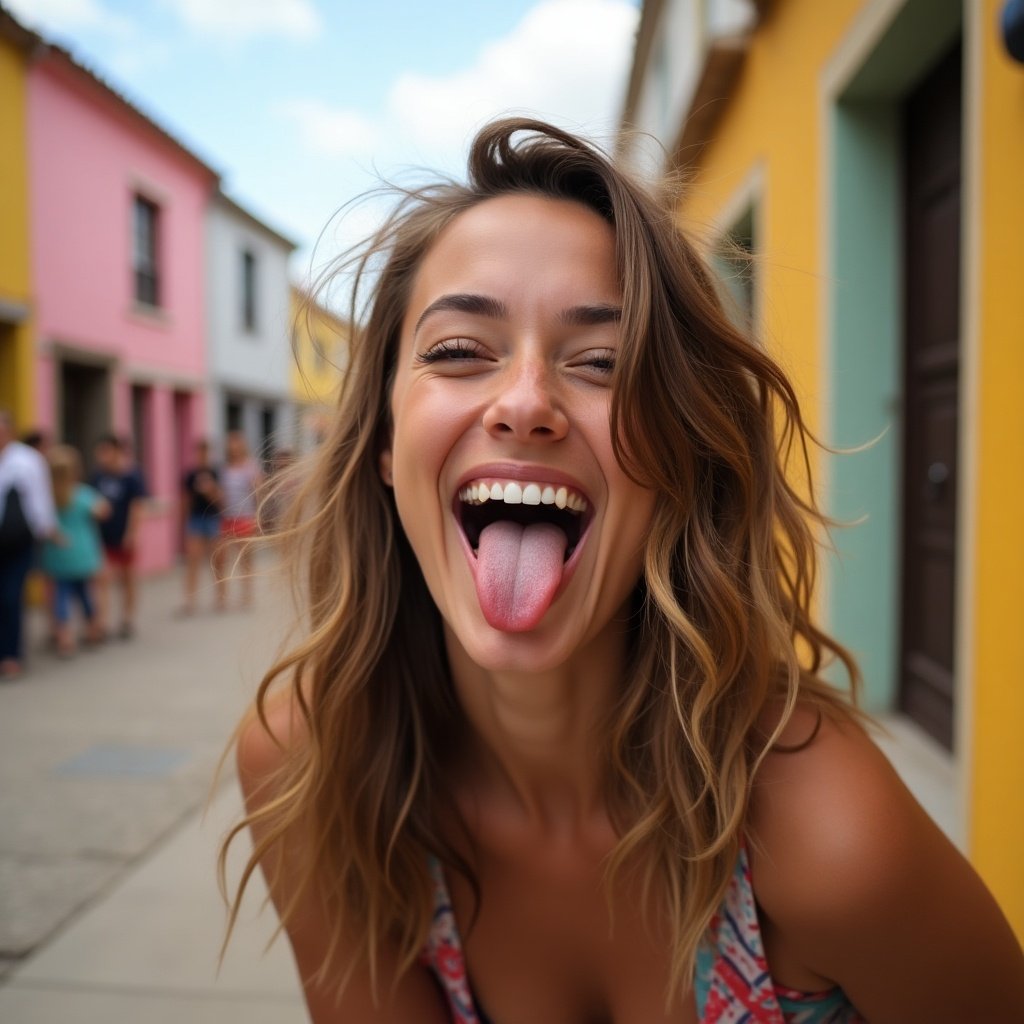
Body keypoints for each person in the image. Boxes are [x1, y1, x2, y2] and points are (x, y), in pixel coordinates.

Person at [222, 120, 1024, 1022]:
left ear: (679, 456)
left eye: (604, 362)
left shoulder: (829, 837)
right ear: (379, 441)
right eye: (457, 352)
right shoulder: (313, 765)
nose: (525, 403)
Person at [0, 411, 57, 679]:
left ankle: (11, 655)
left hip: (18, 541)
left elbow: (40, 500)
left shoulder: (27, 461)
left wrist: (45, 531)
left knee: (11, 597)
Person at [41, 445, 109, 657]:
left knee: (60, 596)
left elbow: (43, 525)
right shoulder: (82, 494)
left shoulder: (47, 497)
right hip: (82, 553)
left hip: (58, 554)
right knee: (84, 594)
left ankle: (64, 636)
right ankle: (93, 628)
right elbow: (103, 510)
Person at [90, 433, 146, 639]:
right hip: (102, 537)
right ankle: (102, 621)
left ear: (116, 451)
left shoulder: (131, 476)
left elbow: (137, 506)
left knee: (127, 579)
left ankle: (127, 619)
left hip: (124, 535)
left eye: (105, 451)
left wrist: (132, 534)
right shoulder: (97, 476)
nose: (101, 456)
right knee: (102, 579)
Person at [178, 438, 224, 616]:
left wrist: (211, 490)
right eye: (200, 452)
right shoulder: (190, 475)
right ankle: (190, 599)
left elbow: (221, 500)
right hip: (196, 519)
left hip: (212, 518)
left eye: (205, 452)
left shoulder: (216, 472)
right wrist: (183, 523)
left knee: (216, 560)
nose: (202, 456)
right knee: (193, 561)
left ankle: (221, 596)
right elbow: (186, 500)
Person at [217, 430, 262, 609]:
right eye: (231, 443)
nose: (233, 447)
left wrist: (258, 518)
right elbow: (221, 494)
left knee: (245, 559)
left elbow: (258, 493)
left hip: (245, 518)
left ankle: (247, 595)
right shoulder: (224, 468)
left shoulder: (251, 467)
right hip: (227, 518)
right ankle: (222, 596)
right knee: (221, 559)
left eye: (236, 443)